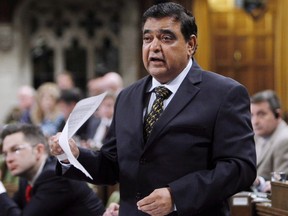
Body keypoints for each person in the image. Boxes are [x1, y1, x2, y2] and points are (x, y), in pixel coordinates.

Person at [49, 2, 256, 215]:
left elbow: (240, 168)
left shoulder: (224, 93)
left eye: (166, 38)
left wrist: (177, 195)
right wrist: (73, 155)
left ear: (190, 45)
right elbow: (113, 166)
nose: (154, 47)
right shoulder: (127, 97)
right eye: (148, 39)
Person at [0, 123, 106, 216]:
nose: (8, 159)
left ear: (38, 150)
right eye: (5, 154)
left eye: (16, 150)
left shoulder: (55, 177)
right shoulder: (26, 177)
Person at [250, 90, 288, 193]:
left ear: (278, 115)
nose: (255, 121)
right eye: (252, 115)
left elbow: (281, 184)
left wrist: (259, 182)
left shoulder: (284, 139)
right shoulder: (256, 137)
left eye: (261, 114)